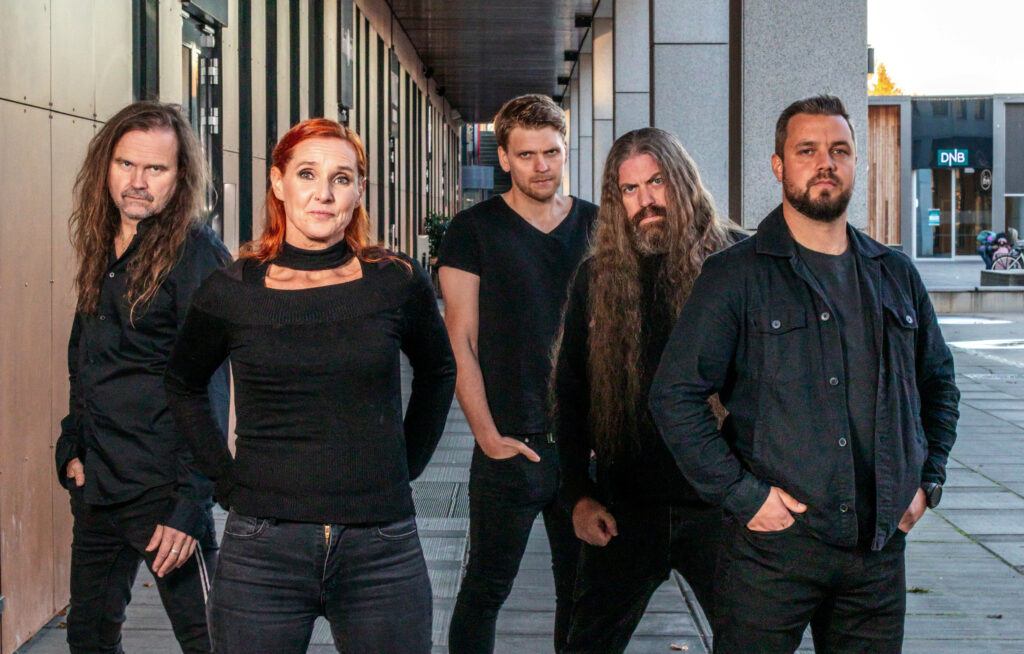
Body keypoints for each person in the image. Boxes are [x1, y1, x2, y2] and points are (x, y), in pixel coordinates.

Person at [650, 95, 960, 653]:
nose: (826, 162)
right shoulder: (734, 276)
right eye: (807, 150)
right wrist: (743, 497)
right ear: (779, 166)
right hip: (773, 554)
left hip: (877, 555)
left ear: (855, 163)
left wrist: (927, 481)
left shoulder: (895, 274)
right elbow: (674, 396)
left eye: (839, 150)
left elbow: (938, 385)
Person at [164, 118, 456, 653]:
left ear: (360, 190)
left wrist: (405, 464)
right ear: (278, 183)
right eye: (306, 174)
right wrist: (226, 483)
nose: (323, 193)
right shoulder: (233, 289)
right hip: (262, 551)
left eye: (341, 178)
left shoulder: (396, 281)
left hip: (381, 547)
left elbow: (439, 372)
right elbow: (182, 383)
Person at [552, 128, 741, 653]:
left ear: (681, 181)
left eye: (656, 182)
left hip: (722, 510)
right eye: (629, 189)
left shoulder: (739, 264)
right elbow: (571, 395)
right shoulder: (597, 278)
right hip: (625, 509)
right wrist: (579, 496)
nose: (646, 200)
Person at [55, 101, 231, 654]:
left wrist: (192, 503)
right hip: (100, 484)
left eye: (155, 169)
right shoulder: (103, 245)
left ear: (180, 178)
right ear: (105, 166)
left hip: (164, 493)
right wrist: (71, 443)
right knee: (88, 637)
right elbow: (88, 355)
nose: (137, 181)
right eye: (126, 164)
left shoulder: (198, 255)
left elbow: (213, 385)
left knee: (213, 640)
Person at [439, 94, 597, 653]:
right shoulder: (472, 230)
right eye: (527, 154)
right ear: (503, 156)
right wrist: (486, 435)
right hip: (511, 447)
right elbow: (459, 339)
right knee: (484, 590)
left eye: (551, 152)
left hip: (586, 452)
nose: (541, 166)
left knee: (582, 598)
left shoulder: (598, 225)